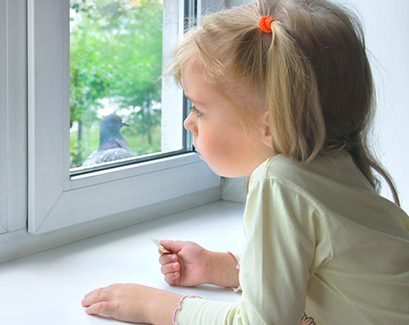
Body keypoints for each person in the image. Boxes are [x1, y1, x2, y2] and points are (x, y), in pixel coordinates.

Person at [81, 0, 409, 323]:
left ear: (270, 125)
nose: (187, 123)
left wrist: (154, 306)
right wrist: (220, 268)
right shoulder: (335, 163)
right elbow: (322, 274)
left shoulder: (279, 181)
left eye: (199, 109)